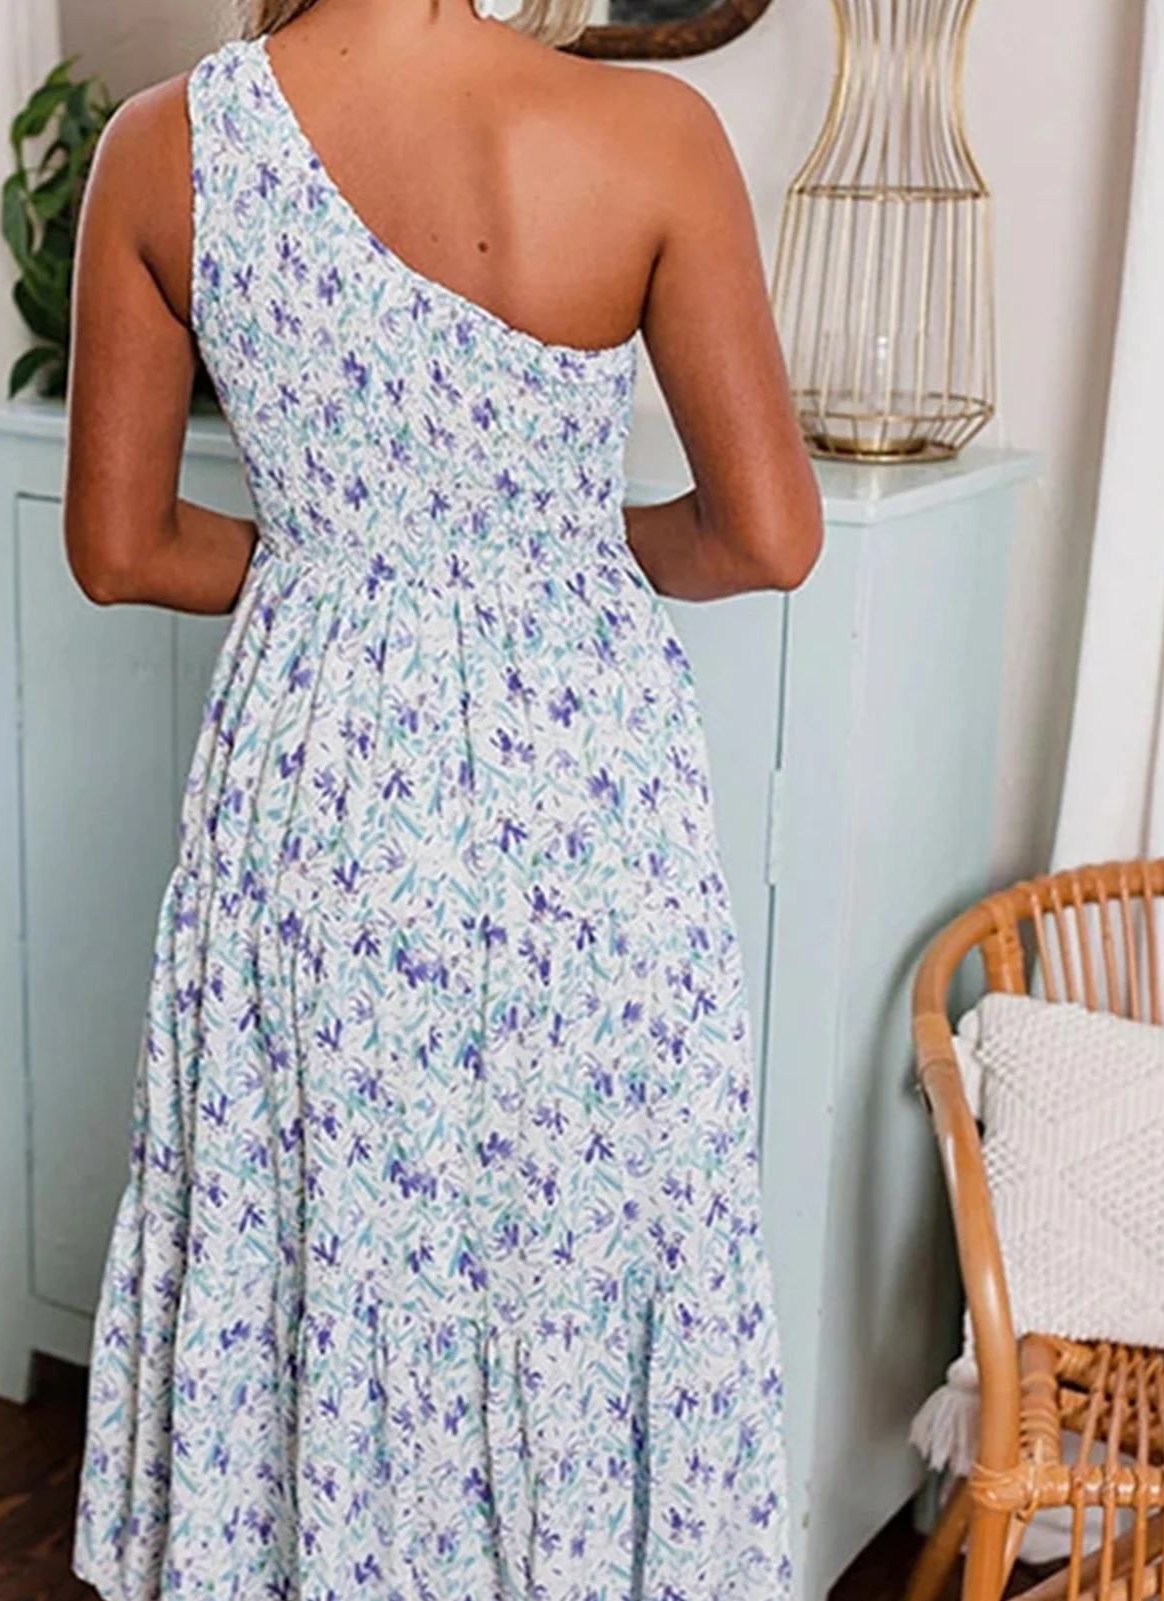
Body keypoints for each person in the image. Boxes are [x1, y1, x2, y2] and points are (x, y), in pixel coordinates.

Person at [63, 0, 821, 1593]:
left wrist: (342, 568)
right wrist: (559, 547)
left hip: (323, 781)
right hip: (589, 798)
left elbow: (121, 550)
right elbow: (767, 535)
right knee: (593, 1219)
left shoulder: (160, 151)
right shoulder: (654, 138)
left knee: (332, 1215)